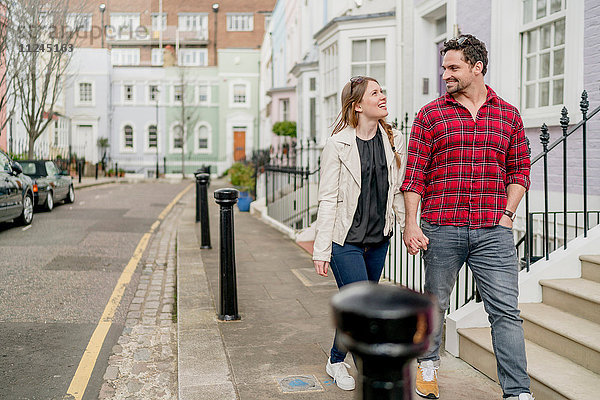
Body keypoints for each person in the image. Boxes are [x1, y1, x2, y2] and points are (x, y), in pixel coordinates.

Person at [401, 34, 533, 400]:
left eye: (453, 67)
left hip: (494, 230)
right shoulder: (431, 114)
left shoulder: (508, 115)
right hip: (442, 228)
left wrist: (507, 214)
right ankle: (428, 367)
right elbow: (414, 176)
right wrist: (412, 223)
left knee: (506, 312)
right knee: (435, 304)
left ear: (477, 68)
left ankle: (518, 392)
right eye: (444, 67)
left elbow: (520, 171)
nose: (445, 74)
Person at [312, 76, 407, 391]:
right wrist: (321, 249)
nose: (382, 97)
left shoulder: (394, 141)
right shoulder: (338, 144)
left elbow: (396, 192)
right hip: (346, 242)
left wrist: (407, 229)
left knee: (360, 307)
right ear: (357, 105)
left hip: (379, 241)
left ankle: (337, 358)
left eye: (383, 91)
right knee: (362, 306)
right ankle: (348, 363)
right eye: (375, 93)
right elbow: (328, 199)